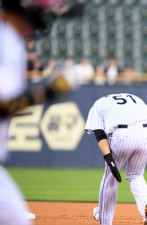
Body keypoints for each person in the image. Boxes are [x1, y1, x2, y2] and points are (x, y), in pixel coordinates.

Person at [0, 0, 79, 224]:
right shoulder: (7, 41)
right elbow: (4, 107)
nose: (43, 17)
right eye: (40, 10)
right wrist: (48, 93)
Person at [85, 93, 147, 225]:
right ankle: (146, 206)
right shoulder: (135, 98)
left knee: (110, 179)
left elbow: (100, 134)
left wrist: (109, 159)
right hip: (146, 135)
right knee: (136, 175)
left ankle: (105, 221)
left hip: (121, 136)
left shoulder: (99, 104)